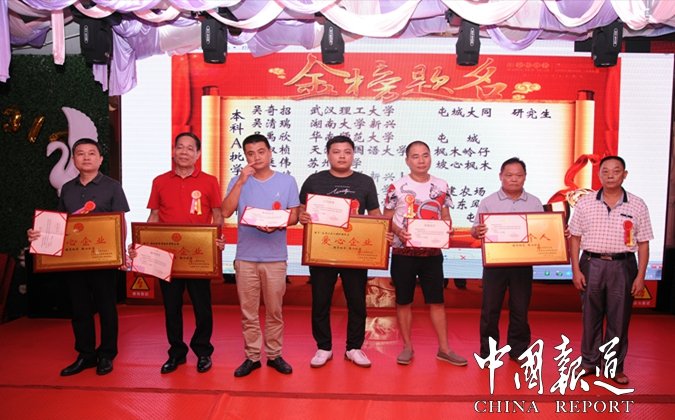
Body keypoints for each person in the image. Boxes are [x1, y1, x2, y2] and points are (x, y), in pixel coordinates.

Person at [27, 138, 130, 376]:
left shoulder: (113, 187)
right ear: (74, 160)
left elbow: (119, 222)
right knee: (80, 308)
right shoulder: (68, 189)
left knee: (106, 308)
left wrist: (121, 254)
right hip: (74, 259)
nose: (86, 157)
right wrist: (37, 233)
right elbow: (60, 223)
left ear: (100, 159)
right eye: (80, 153)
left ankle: (107, 354)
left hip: (104, 258)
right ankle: (86, 354)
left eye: (92, 153)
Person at [569, 156, 652, 385]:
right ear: (599, 175)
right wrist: (575, 270)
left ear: (624, 175)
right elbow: (574, 238)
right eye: (605, 171)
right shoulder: (585, 203)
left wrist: (641, 276)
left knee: (619, 319)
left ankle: (614, 366)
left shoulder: (637, 204)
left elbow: (643, 243)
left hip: (623, 266)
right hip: (591, 263)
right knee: (590, 317)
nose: (610, 175)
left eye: (616, 171)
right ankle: (589, 363)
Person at [299, 135, 381, 368]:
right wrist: (302, 216)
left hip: (354, 253)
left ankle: (354, 348)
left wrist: (382, 232)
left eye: (347, 152)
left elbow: (375, 215)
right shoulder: (314, 181)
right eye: (336, 152)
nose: (342, 156)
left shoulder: (365, 182)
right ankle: (323, 347)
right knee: (320, 301)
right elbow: (301, 210)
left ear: (353, 155)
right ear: (328, 155)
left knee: (357, 302)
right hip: (322, 251)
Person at [383, 141, 467, 367]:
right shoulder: (397, 187)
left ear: (431, 157)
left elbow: (445, 215)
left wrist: (447, 227)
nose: (421, 160)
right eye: (415, 156)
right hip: (403, 252)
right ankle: (407, 346)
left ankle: (444, 349)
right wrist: (399, 231)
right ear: (407, 160)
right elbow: (387, 217)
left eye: (425, 155)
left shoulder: (441, 185)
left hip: (432, 254)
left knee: (437, 301)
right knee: (404, 301)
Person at [144, 132, 223, 374]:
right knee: (171, 307)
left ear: (198, 154)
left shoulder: (210, 181)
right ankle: (176, 352)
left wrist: (218, 239)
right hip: (167, 257)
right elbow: (154, 216)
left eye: (190, 148)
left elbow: (217, 215)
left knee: (202, 307)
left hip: (198, 256)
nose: (184, 152)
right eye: (180, 147)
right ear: (173, 151)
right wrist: (142, 245)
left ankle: (203, 351)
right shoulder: (159, 181)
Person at [222, 134, 299, 377]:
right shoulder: (238, 181)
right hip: (245, 257)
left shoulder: (287, 181)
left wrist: (276, 224)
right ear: (245, 156)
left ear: (270, 152)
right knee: (249, 312)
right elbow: (225, 211)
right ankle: (252, 357)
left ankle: (274, 355)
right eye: (250, 153)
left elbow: (294, 216)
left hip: (275, 258)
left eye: (261, 151)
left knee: (275, 311)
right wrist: (241, 182)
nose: (256, 157)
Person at [471, 157, 543, 363]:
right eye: (509, 175)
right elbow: (475, 230)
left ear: (525, 177)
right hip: (495, 264)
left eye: (518, 175)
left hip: (522, 264)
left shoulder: (534, 202)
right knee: (490, 309)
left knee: (520, 309)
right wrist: (478, 231)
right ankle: (488, 353)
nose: (514, 179)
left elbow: (542, 229)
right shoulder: (488, 202)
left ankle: (518, 350)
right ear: (500, 176)